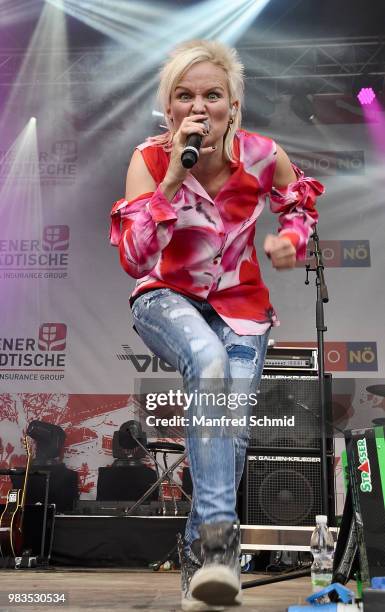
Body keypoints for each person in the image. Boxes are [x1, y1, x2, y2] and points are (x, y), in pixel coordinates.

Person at [110, 39, 324, 611]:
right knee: (206, 363)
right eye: (184, 96)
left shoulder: (260, 154)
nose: (198, 107)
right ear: (169, 106)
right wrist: (173, 184)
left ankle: (198, 572)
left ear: (233, 104)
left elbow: (300, 205)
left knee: (229, 435)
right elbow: (134, 257)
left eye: (212, 95)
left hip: (243, 310)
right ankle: (218, 547)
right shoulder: (150, 159)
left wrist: (290, 240)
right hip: (165, 298)